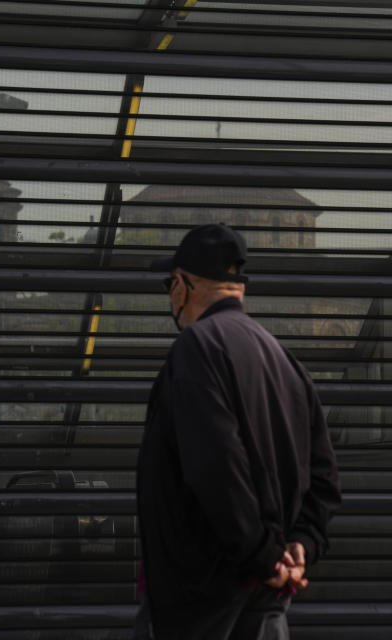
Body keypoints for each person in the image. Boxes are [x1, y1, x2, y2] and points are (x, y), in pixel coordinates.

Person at [135, 223, 341, 639]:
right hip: (267, 599)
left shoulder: (196, 350)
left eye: (168, 283)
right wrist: (301, 545)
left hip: (205, 602)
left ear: (181, 285)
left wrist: (263, 557)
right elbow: (324, 477)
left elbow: (217, 468)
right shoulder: (285, 360)